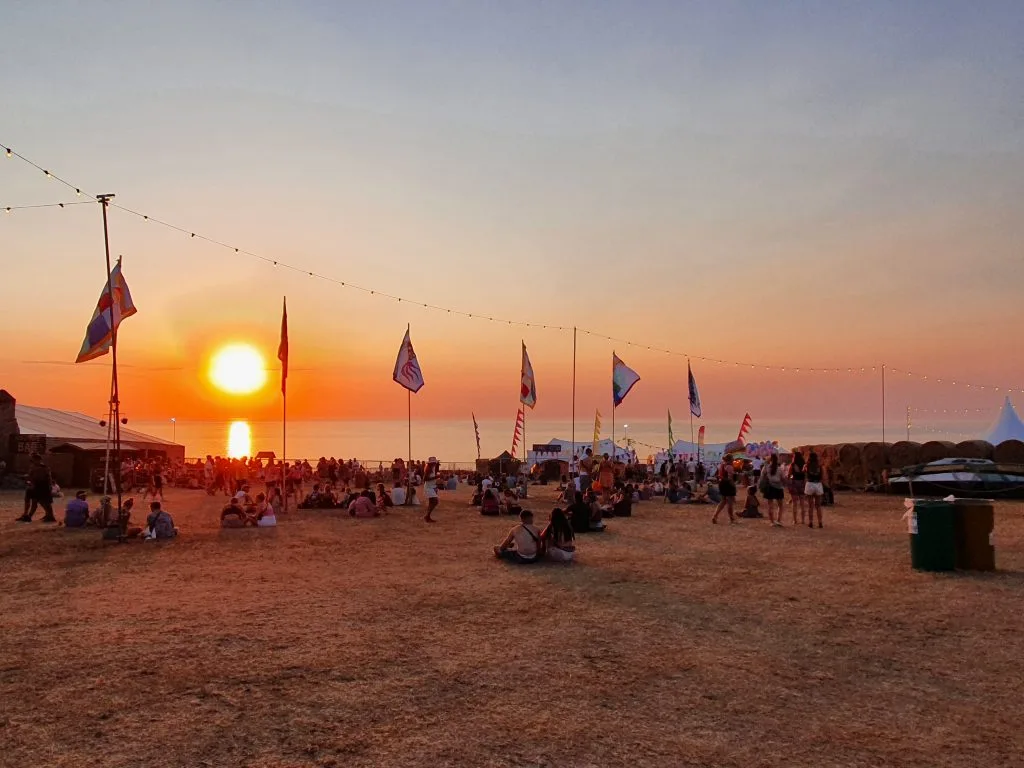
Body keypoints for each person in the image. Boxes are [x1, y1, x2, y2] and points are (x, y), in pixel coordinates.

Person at [17, 454, 56, 523]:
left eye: (34, 460)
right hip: (34, 485)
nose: (33, 461)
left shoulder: (44, 467)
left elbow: (48, 477)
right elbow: (31, 476)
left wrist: (50, 486)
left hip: (42, 486)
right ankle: (26, 515)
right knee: (31, 500)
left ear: (38, 460)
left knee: (44, 502)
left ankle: (48, 516)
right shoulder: (33, 466)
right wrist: (27, 479)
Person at [760, 454, 786, 527]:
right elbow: (783, 478)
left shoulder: (766, 468)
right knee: (780, 505)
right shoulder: (779, 468)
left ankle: (772, 521)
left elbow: (762, 476)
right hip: (778, 487)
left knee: (770, 505)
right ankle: (778, 520)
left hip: (769, 487)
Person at [711, 458, 737, 524]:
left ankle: (715, 516)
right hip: (728, 484)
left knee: (723, 501)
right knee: (730, 503)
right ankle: (732, 519)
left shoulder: (722, 465)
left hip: (722, 483)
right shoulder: (729, 467)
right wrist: (733, 485)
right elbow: (730, 477)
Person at [804, 451, 825, 529]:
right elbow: (822, 476)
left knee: (810, 506)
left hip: (810, 484)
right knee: (818, 506)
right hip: (818, 484)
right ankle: (820, 523)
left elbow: (804, 473)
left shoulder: (807, 465)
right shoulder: (819, 466)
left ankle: (811, 522)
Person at [788, 452, 807, 525]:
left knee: (794, 503)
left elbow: (789, 475)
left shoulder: (792, 465)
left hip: (794, 483)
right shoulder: (804, 465)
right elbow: (805, 476)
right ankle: (803, 520)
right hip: (802, 484)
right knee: (802, 503)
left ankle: (795, 520)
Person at [423, 457, 440, 523]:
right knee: (435, 501)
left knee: (432, 502)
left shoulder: (432, 468)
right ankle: (427, 516)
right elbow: (425, 479)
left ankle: (427, 516)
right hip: (428, 487)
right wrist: (436, 477)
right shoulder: (428, 469)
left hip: (431, 487)